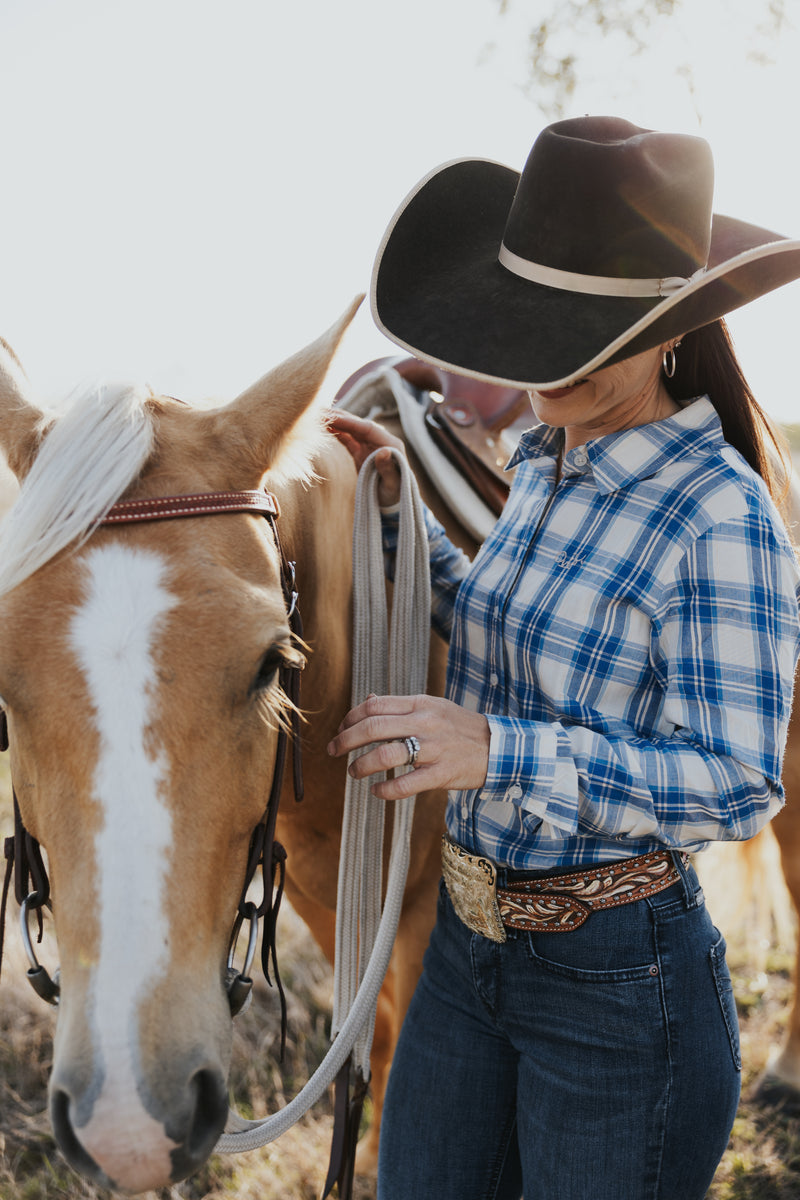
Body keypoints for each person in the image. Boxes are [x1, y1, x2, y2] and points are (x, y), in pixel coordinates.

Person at [326, 116, 800, 1200]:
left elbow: (736, 781)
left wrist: (494, 750)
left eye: (584, 341)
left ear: (671, 332)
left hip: (618, 985)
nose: (548, 369)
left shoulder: (714, 512)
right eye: (534, 328)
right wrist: (398, 514)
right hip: (466, 947)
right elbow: (509, 619)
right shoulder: (546, 460)